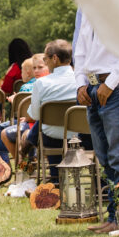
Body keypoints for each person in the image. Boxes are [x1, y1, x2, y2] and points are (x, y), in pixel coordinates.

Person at [74, 11, 119, 233]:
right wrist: (81, 84)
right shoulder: (87, 7)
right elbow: (80, 51)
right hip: (92, 86)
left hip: (117, 84)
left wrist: (110, 83)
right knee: (104, 156)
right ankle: (114, 216)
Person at [27, 39, 87, 184]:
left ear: (55, 58)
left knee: (43, 131)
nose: (45, 62)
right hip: (80, 135)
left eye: (45, 59)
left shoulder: (41, 83)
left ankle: (56, 179)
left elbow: (35, 115)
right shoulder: (82, 80)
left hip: (52, 137)